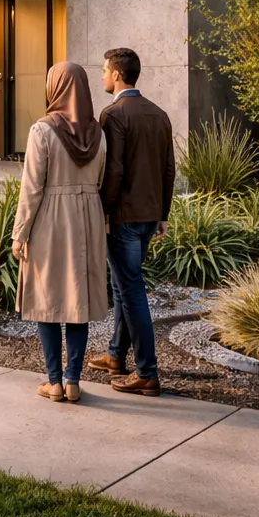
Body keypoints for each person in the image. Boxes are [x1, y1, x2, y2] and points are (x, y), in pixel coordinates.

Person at [12, 60, 110, 403]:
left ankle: (53, 381)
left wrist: (19, 233)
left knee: (48, 299)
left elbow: (32, 188)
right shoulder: (99, 133)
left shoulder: (42, 130)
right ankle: (73, 381)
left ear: (55, 88)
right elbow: (100, 179)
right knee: (77, 298)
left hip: (52, 218)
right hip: (88, 217)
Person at [87, 47, 175, 397]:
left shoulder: (113, 114)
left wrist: (104, 213)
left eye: (105, 71)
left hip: (122, 218)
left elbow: (115, 169)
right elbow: (170, 169)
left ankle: (147, 372)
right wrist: (163, 215)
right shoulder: (160, 114)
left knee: (131, 290)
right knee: (127, 286)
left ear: (118, 75)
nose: (103, 76)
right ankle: (114, 357)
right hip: (149, 216)